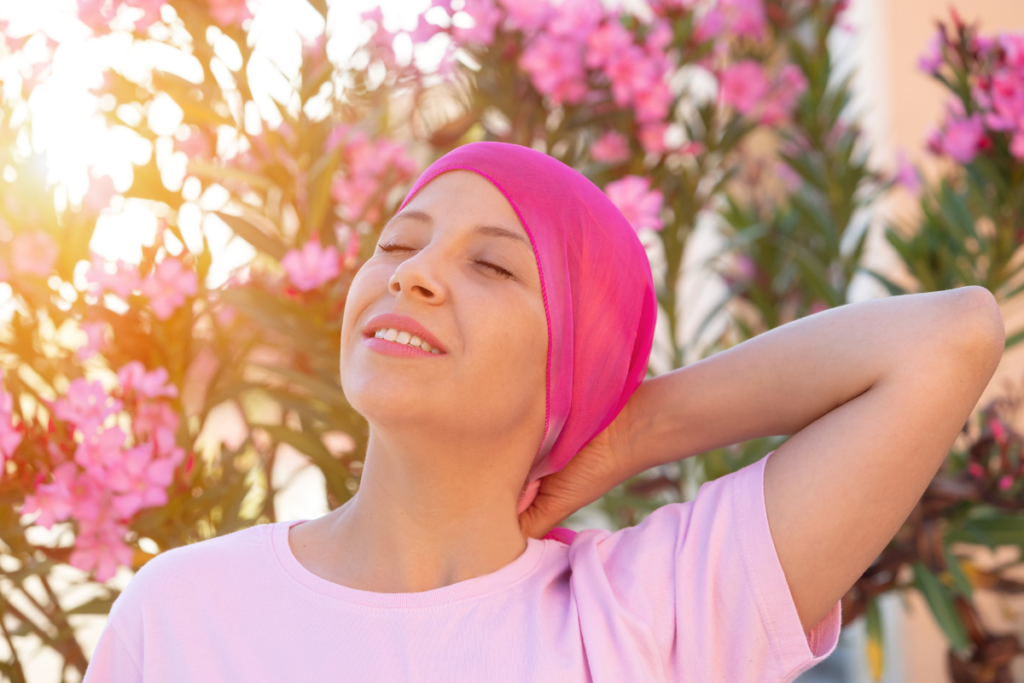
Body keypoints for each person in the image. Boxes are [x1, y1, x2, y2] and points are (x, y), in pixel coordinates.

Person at [83, 141, 1005, 682]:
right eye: (399, 243)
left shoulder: (650, 615)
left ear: (571, 362)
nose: (412, 273)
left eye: (491, 265)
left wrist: (628, 433)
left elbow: (949, 338)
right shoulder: (182, 610)